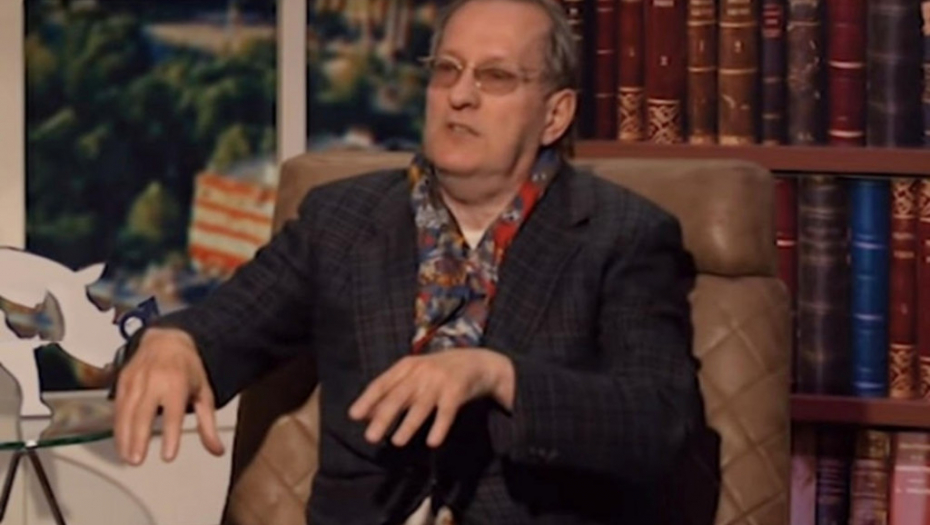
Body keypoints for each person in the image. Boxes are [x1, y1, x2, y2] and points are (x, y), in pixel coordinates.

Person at [113, 0, 706, 522]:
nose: (460, 95)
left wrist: (496, 376)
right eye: (447, 69)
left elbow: (660, 424)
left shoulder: (622, 234)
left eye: (495, 76)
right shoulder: (340, 220)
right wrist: (173, 342)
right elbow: (226, 323)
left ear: (555, 114)